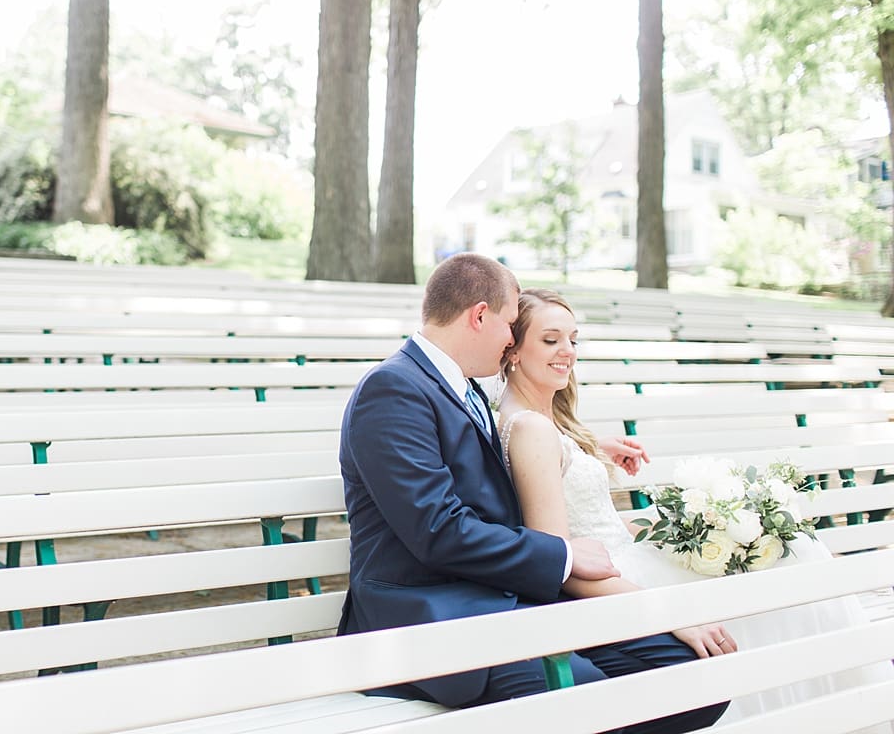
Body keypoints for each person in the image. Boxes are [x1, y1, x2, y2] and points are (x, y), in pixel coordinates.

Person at [336, 253, 728, 734]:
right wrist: (563, 556)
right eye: (507, 324)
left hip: (506, 597)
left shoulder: (467, 389)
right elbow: (437, 530)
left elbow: (510, 453)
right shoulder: (393, 390)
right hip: (429, 616)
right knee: (579, 692)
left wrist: (581, 449)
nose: (509, 341)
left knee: (695, 677)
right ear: (479, 316)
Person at [497, 287, 894, 730]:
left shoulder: (541, 420)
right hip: (619, 579)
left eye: (573, 339)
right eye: (551, 340)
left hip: (624, 553)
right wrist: (673, 614)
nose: (567, 351)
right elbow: (560, 560)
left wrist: (693, 519)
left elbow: (577, 499)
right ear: (512, 349)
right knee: (794, 564)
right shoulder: (531, 427)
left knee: (793, 553)